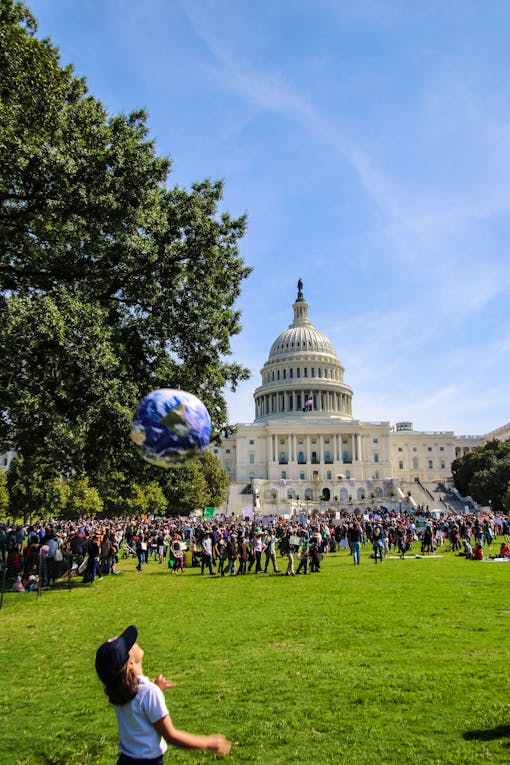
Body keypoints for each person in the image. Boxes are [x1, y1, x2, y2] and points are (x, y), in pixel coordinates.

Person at [95, 625, 231, 764]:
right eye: (130, 645)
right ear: (130, 663)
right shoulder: (148, 692)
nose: (135, 643)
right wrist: (207, 743)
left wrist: (155, 688)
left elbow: (138, 710)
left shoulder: (119, 690)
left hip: (125, 760)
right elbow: (170, 735)